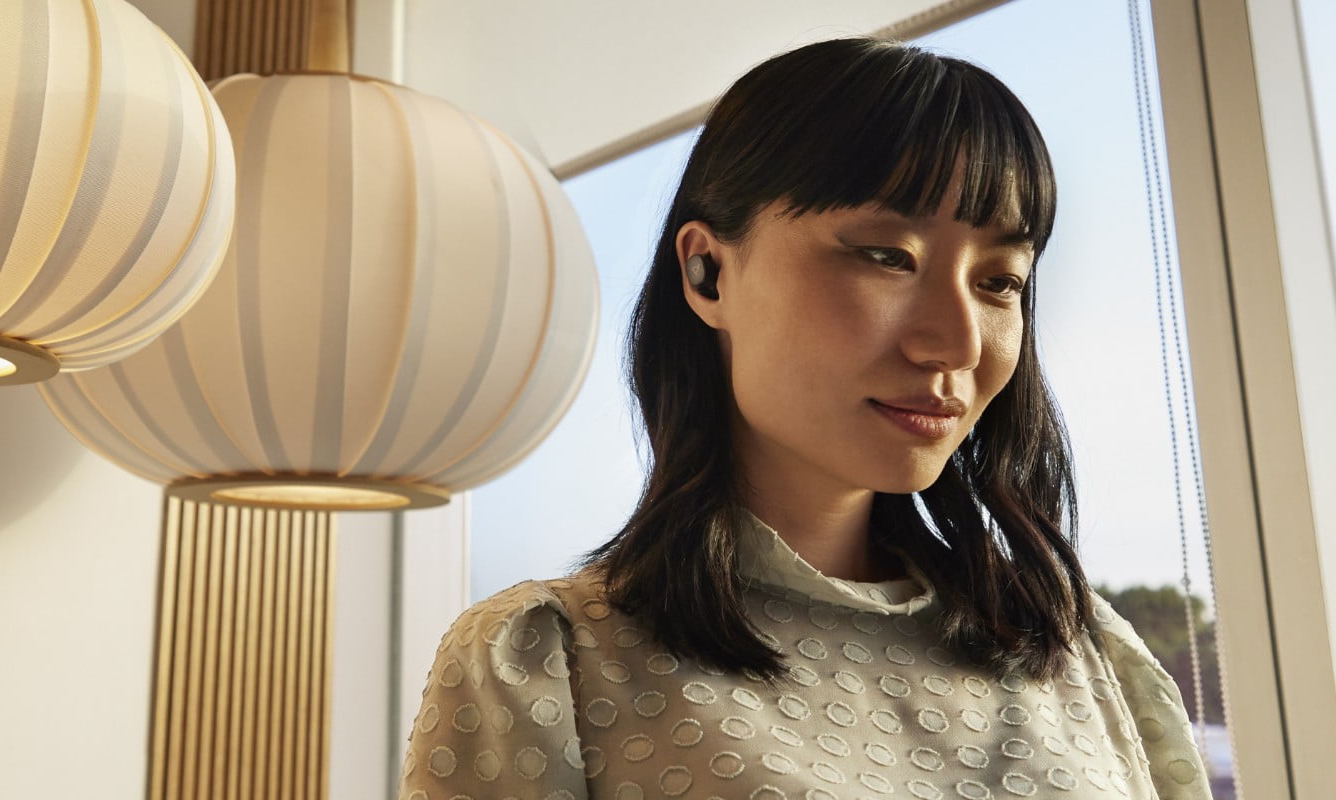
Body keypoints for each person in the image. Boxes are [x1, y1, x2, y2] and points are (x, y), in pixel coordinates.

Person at [398, 35, 1213, 800]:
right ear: (707, 271)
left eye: (999, 282)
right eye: (886, 256)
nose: (956, 341)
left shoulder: (1085, 651)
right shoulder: (549, 661)